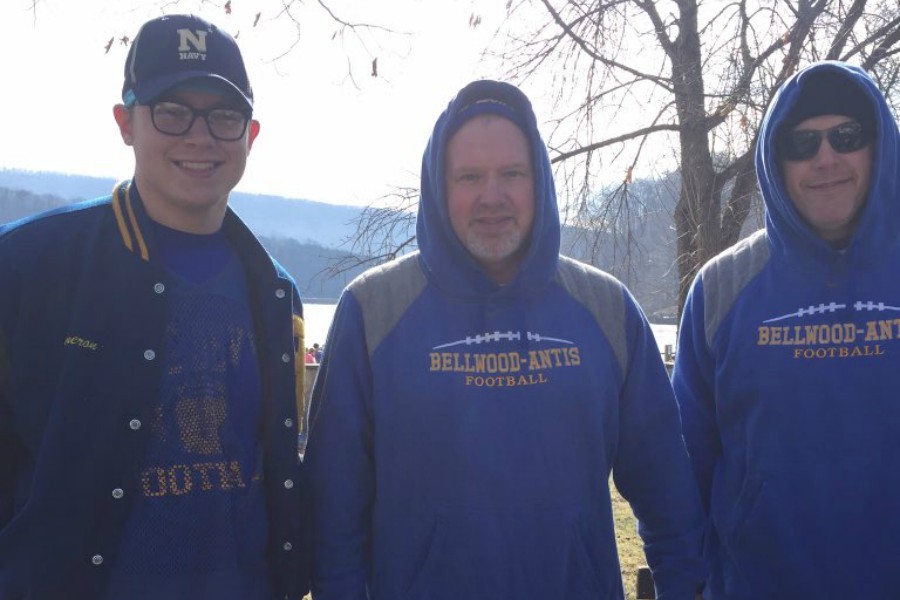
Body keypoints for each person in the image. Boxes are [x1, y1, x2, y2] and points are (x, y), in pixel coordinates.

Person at [305, 80, 706, 599]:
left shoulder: (606, 310)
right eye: (469, 176)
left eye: (511, 174)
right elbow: (334, 513)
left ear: (538, 182)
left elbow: (667, 491)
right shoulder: (373, 311)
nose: (491, 196)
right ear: (438, 186)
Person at [0, 14, 309, 599]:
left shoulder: (276, 293)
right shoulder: (26, 268)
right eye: (171, 111)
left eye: (224, 116)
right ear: (125, 122)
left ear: (252, 134)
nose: (200, 137)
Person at [672, 61, 900, 598]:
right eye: (802, 143)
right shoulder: (721, 290)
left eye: (847, 136)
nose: (826, 157)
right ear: (775, 159)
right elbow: (679, 471)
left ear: (880, 146)